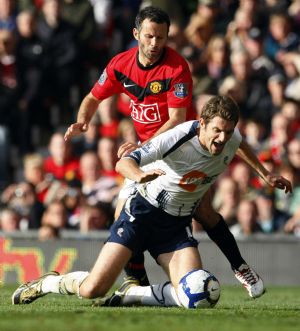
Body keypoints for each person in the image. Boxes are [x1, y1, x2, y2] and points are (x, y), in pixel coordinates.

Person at [63, 6, 281, 297]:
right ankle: (138, 280)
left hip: (183, 146)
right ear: (136, 34)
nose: (155, 44)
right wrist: (83, 119)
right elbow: (93, 96)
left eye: (161, 38)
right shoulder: (120, 64)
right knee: (129, 212)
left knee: (198, 209)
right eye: (150, 37)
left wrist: (143, 147)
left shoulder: (176, 67)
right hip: (151, 149)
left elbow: (177, 121)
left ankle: (236, 266)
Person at [12, 96, 292, 307]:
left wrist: (265, 174)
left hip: (175, 226)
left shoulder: (230, 137)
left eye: (228, 132)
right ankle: (49, 282)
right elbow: (124, 163)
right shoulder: (178, 139)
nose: (223, 139)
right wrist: (141, 175)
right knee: (92, 290)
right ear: (202, 124)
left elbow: (240, 144)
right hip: (141, 214)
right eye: (217, 131)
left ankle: (133, 294)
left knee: (196, 294)